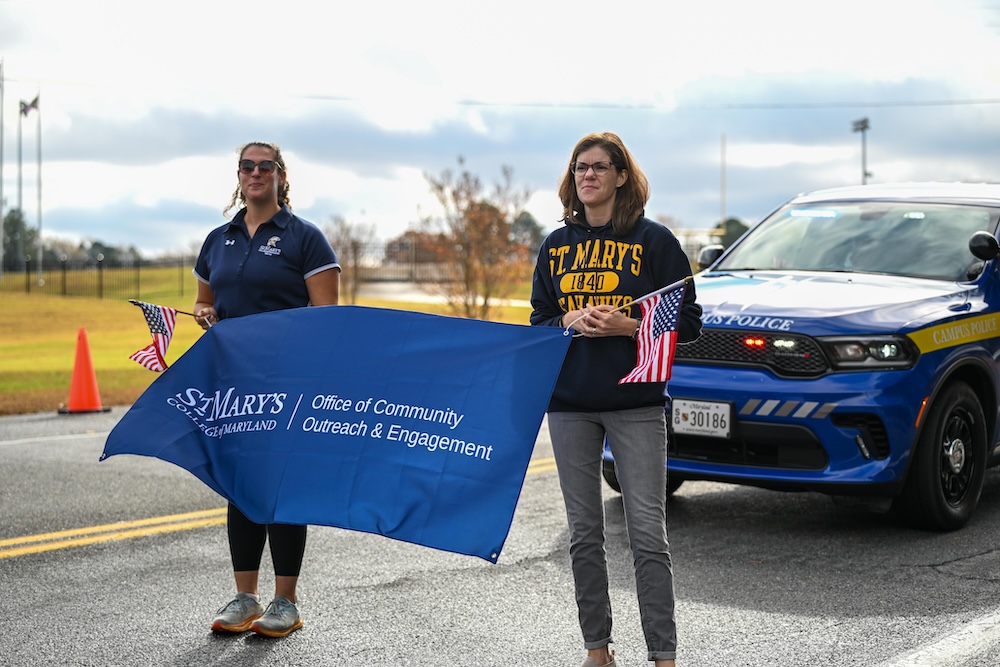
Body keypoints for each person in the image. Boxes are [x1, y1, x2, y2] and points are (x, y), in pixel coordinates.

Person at [530, 132, 702, 667]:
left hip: (637, 404)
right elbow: (539, 320)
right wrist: (568, 318)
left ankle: (663, 655)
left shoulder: (655, 242)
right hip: (570, 403)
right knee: (584, 533)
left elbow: (690, 323)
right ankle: (596, 650)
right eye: (580, 168)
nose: (588, 176)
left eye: (599, 167)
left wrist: (630, 325)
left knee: (648, 534)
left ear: (622, 175)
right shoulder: (555, 247)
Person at [193, 141, 340, 638]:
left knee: (281, 490)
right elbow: (205, 302)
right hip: (233, 388)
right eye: (247, 166)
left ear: (280, 176)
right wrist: (205, 315)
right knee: (241, 489)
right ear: (238, 175)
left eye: (265, 166)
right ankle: (245, 598)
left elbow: (327, 322)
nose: (256, 173)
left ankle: (286, 602)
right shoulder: (219, 238)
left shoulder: (305, 238)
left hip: (288, 388)